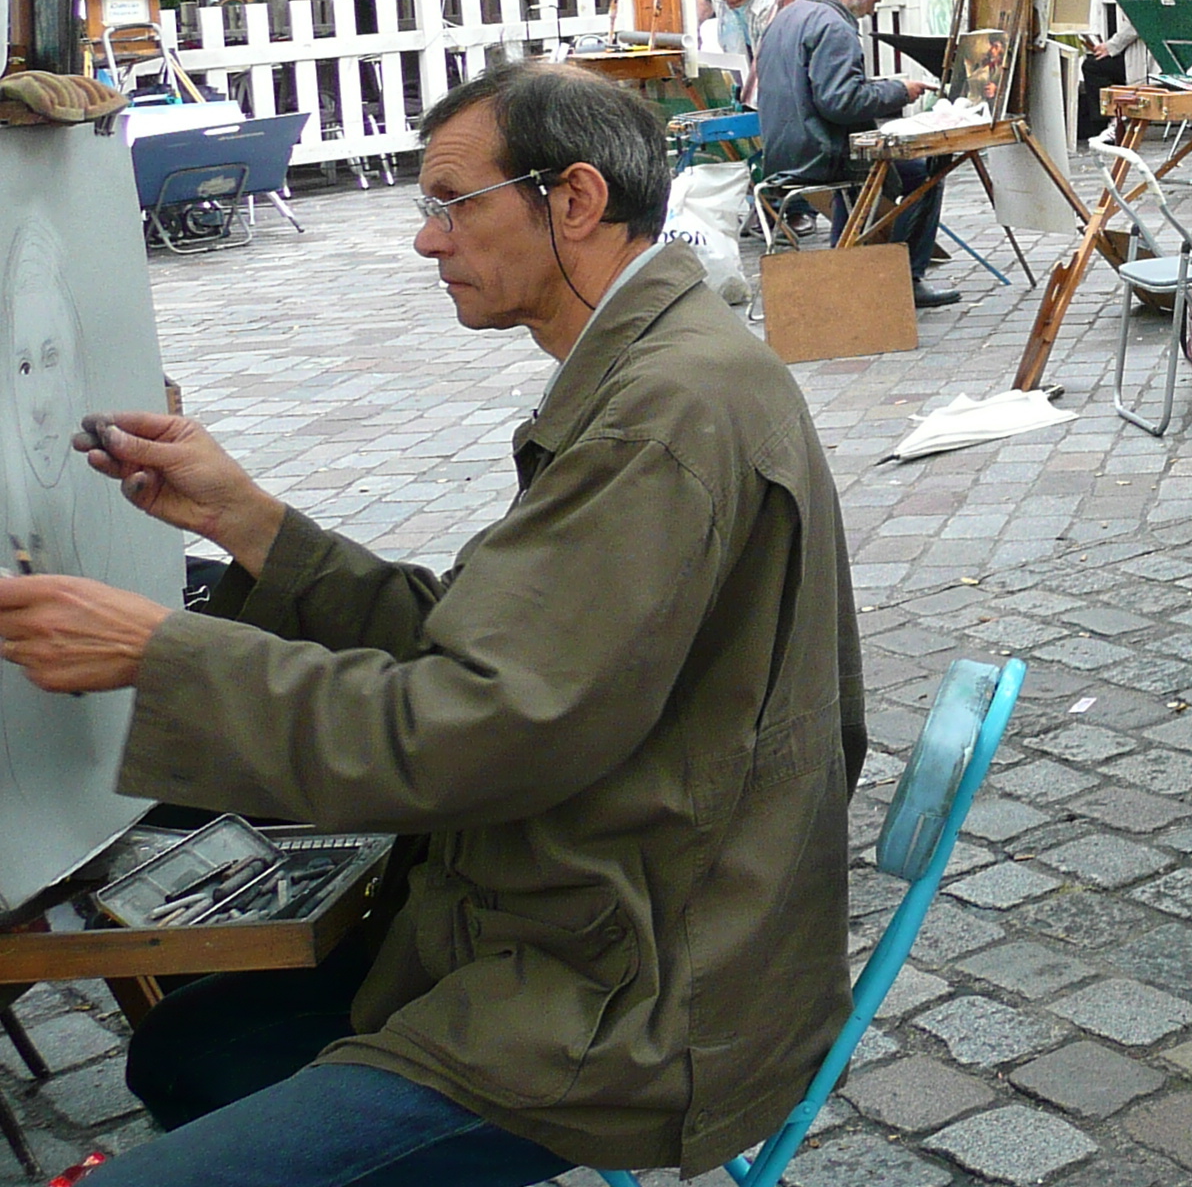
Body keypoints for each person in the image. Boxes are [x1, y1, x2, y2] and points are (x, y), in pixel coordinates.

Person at [0, 64, 863, 1186]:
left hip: (632, 994)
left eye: (450, 203)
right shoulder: (653, 365)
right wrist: (252, 521)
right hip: (602, 913)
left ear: (576, 199)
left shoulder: (662, 414)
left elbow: (472, 725)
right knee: (188, 1051)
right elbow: (489, 640)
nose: (426, 240)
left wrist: (158, 652)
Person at [754, 0, 957, 309]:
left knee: (871, 167)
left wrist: (879, 87)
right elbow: (841, 102)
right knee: (928, 168)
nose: (874, 9)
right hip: (819, 153)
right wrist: (898, 91)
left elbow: (818, 91)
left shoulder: (789, 15)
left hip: (784, 150)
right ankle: (908, 279)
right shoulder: (834, 26)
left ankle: (846, 262)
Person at [1082, 0, 1172, 143]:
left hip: (1146, 56)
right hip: (1153, 51)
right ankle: (1117, 118)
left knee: (1093, 66)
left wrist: (1111, 46)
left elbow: (1139, 18)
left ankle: (1113, 120)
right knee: (1100, 66)